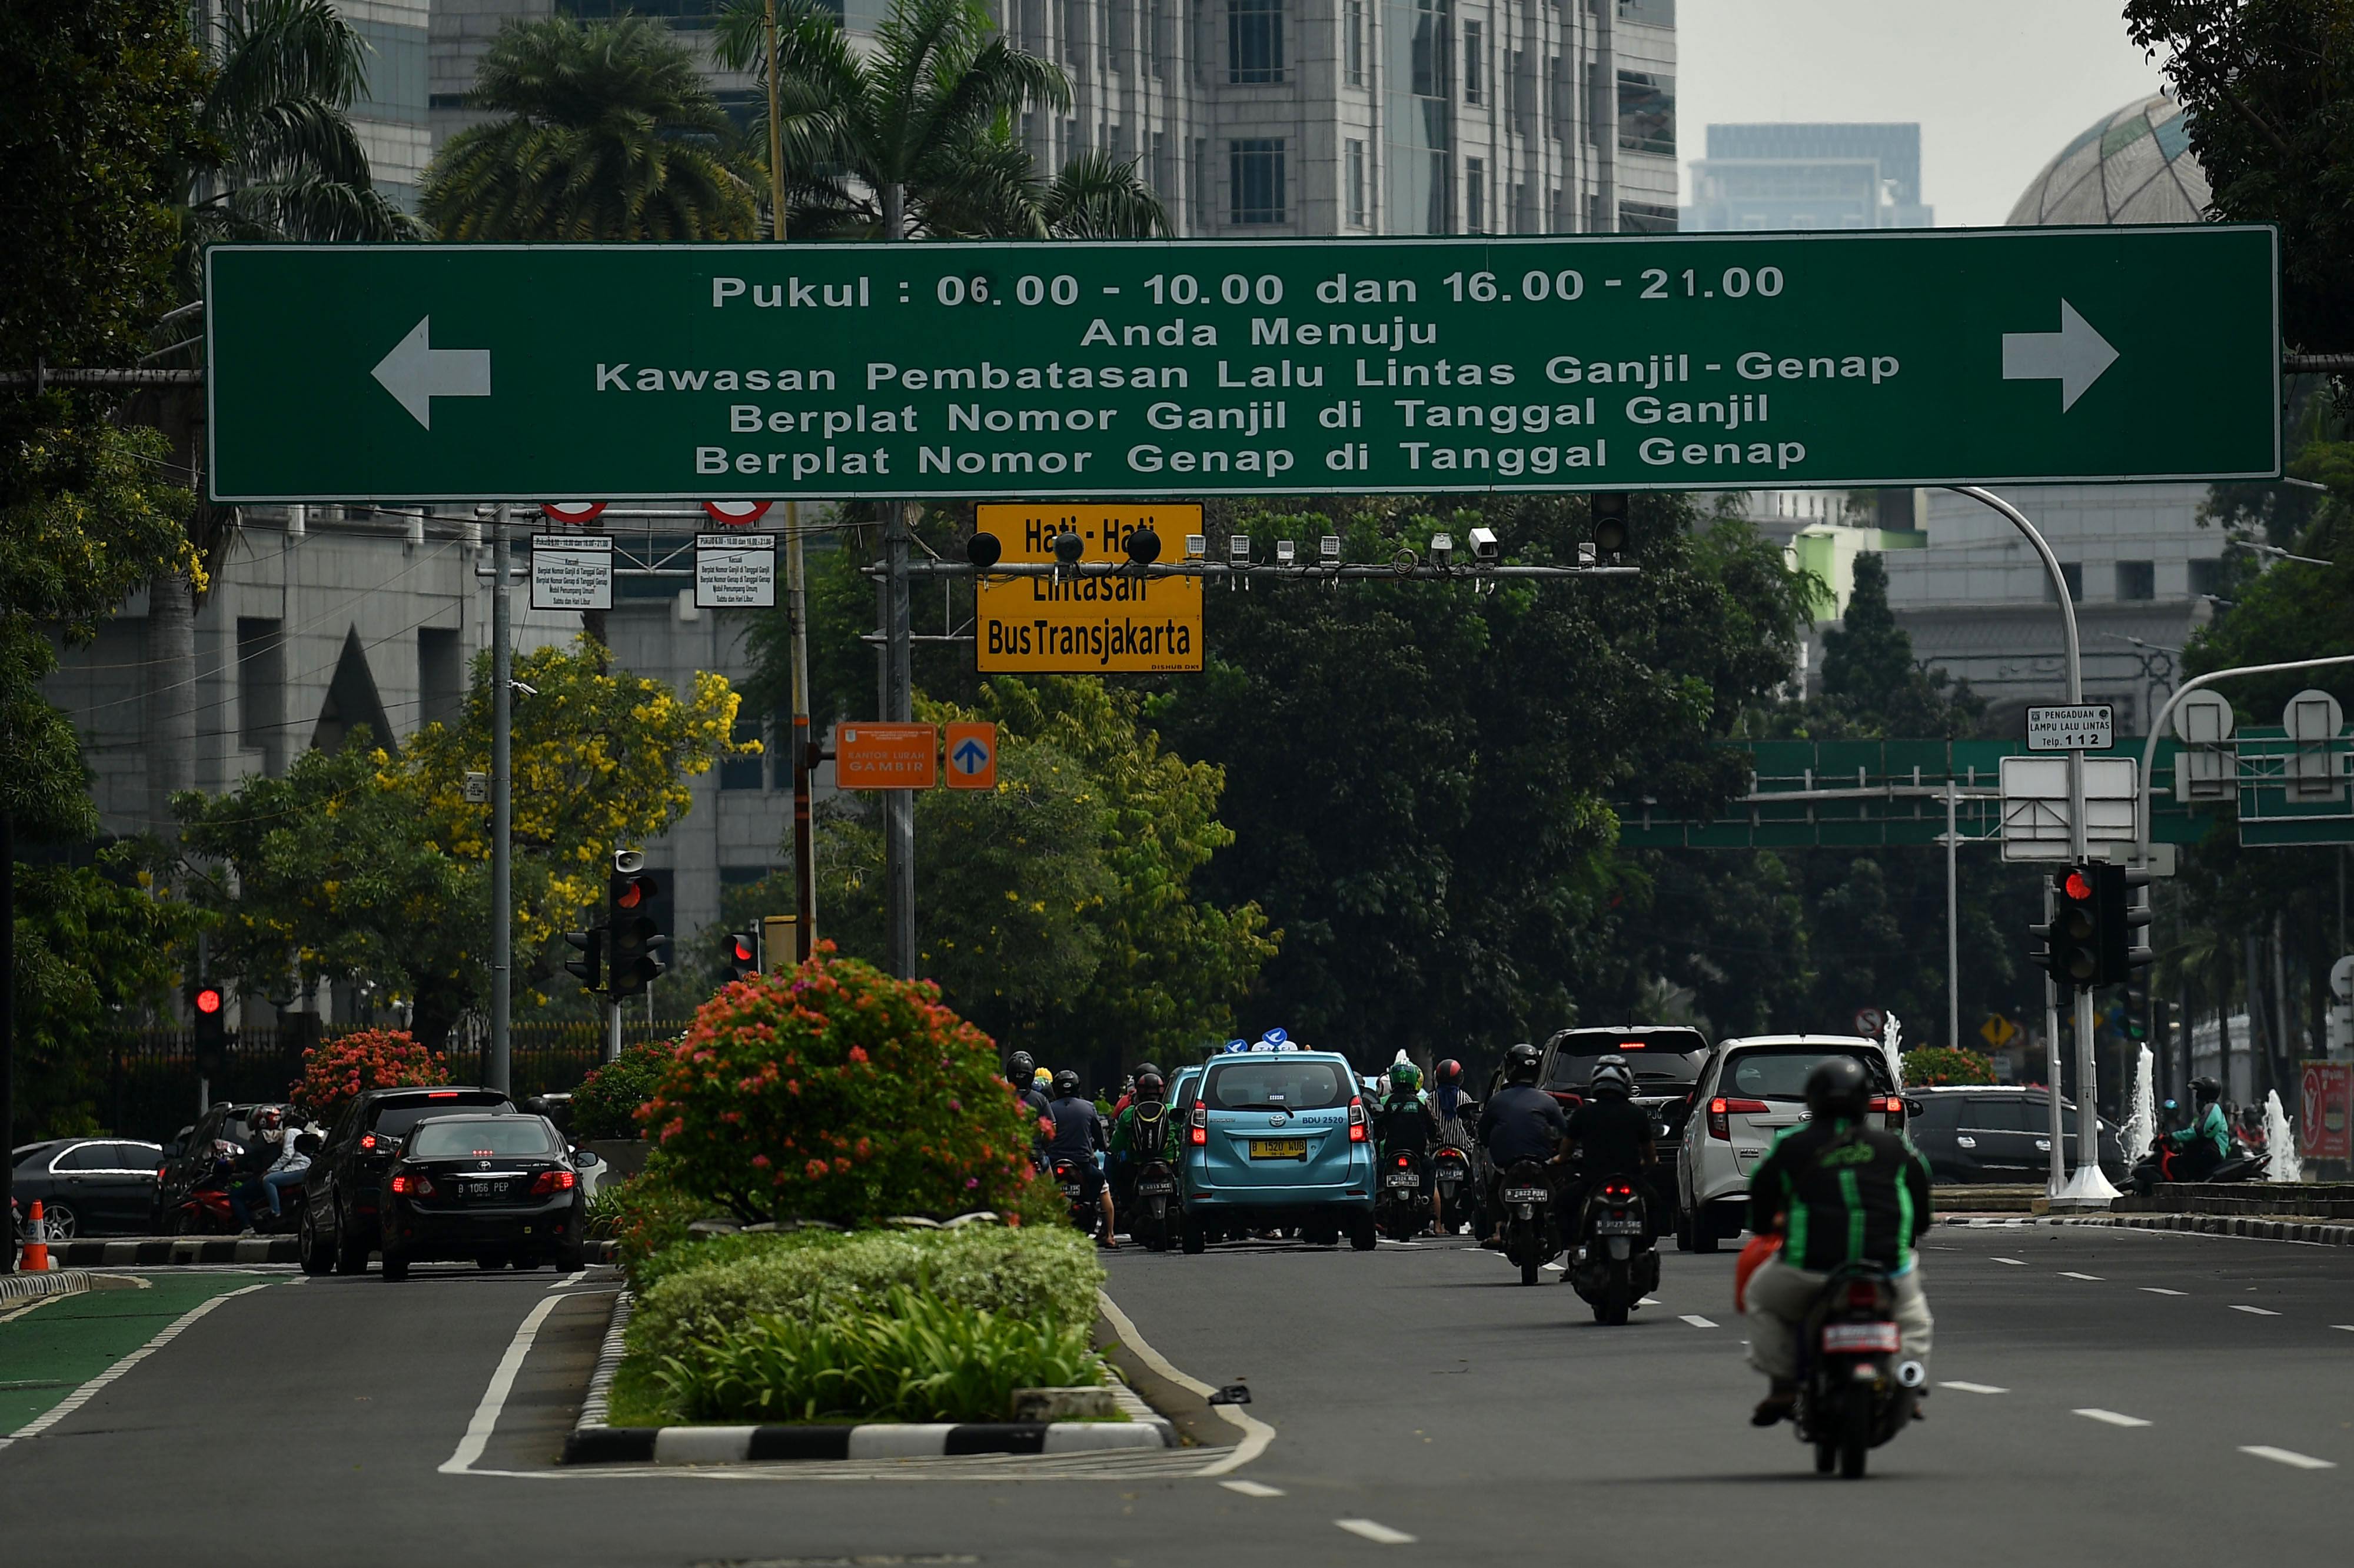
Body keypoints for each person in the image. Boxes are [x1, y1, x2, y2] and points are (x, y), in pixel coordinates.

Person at [1741, 1056, 1935, 1428]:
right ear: (1865, 1101)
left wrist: (1769, 1225)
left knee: (1761, 1298)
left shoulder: (1790, 1146)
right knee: (1915, 1321)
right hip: (1887, 1269)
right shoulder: (1896, 1149)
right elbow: (1922, 1214)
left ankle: (1783, 1385)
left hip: (1808, 1268)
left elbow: (1762, 1210)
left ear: (1812, 1101)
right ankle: (1908, 1382)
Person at [1476, 1043, 1569, 1246]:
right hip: (1542, 1165)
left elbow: (1482, 1133)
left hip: (1507, 1166)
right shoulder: (1548, 1101)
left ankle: (1499, 1231)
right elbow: (1564, 1132)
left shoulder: (1497, 1100)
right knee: (1563, 1186)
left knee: (1494, 1189)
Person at [1562, 1056, 1657, 1251]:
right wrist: (1650, 1164)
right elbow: (1649, 1155)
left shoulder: (1583, 1114)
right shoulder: (1637, 1114)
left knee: (1561, 1203)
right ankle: (1645, 1249)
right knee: (1656, 1204)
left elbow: (1566, 1151)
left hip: (1592, 1182)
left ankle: (1573, 1251)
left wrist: (1560, 1160)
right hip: (1632, 1180)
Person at [1041, 1068, 1116, 1246]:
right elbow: (1099, 1135)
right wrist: (1102, 1146)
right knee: (1103, 1187)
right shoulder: (1088, 1107)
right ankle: (1111, 1235)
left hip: (1054, 1165)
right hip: (1083, 1165)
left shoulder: (1049, 1108)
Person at [1374, 1060, 1445, 1233]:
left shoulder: (1385, 1102)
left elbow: (1377, 1127)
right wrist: (1436, 1137)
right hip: (1418, 1155)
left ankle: (1379, 1195)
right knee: (1430, 1167)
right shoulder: (1421, 1102)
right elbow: (1433, 1127)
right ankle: (1427, 1199)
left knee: (1378, 1169)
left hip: (1391, 1153)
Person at [228, 1106, 288, 1233]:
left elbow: (250, 1155)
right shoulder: (278, 1135)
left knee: (235, 1195)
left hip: (263, 1176)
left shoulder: (264, 1136)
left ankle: (247, 1227)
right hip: (274, 1173)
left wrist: (234, 1161)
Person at [2162, 1076, 2231, 1181]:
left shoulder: (2211, 1108)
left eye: (2199, 1093)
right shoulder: (2212, 1109)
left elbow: (2199, 1131)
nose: (2197, 1098)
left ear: (2204, 1094)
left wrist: (2173, 1137)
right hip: (2209, 1152)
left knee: (2174, 1163)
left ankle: (2184, 1194)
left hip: (2211, 1153)